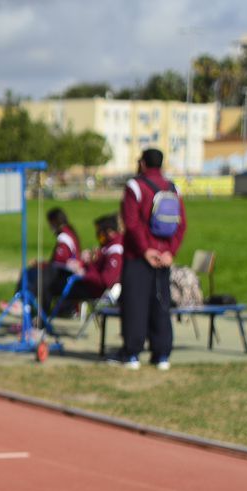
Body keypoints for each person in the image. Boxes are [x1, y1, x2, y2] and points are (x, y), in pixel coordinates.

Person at [110, 148, 186, 370]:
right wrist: (170, 251)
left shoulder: (135, 186)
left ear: (142, 163)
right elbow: (181, 224)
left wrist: (145, 250)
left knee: (135, 304)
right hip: (164, 257)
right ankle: (162, 354)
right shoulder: (172, 188)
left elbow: (131, 223)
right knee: (161, 304)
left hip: (139, 257)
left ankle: (132, 353)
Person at [1, 207, 81, 318]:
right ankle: (24, 304)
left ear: (54, 221)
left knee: (31, 273)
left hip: (64, 276)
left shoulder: (64, 237)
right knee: (32, 272)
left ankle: (23, 304)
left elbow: (59, 262)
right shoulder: (69, 233)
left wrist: (40, 264)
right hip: (64, 273)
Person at [49, 214, 124, 316]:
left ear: (110, 232)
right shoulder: (108, 247)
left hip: (94, 291)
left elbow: (106, 280)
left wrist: (85, 273)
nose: (98, 235)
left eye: (100, 232)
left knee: (51, 284)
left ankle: (43, 320)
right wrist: (84, 263)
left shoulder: (115, 251)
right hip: (90, 286)